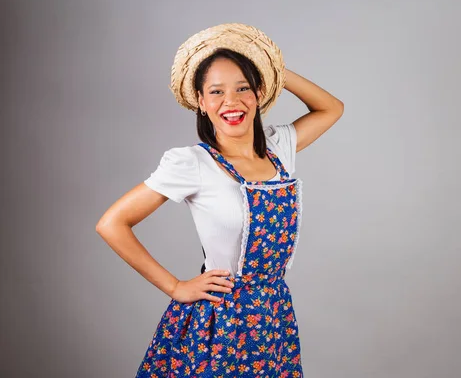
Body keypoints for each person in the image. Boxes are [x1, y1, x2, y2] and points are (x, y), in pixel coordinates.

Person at [95, 35, 343, 377]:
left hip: (272, 317)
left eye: (243, 88)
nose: (232, 101)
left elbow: (332, 108)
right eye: (216, 91)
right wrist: (175, 287)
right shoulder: (193, 163)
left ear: (259, 94)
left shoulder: (278, 148)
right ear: (200, 101)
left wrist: (271, 68)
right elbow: (112, 223)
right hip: (219, 322)